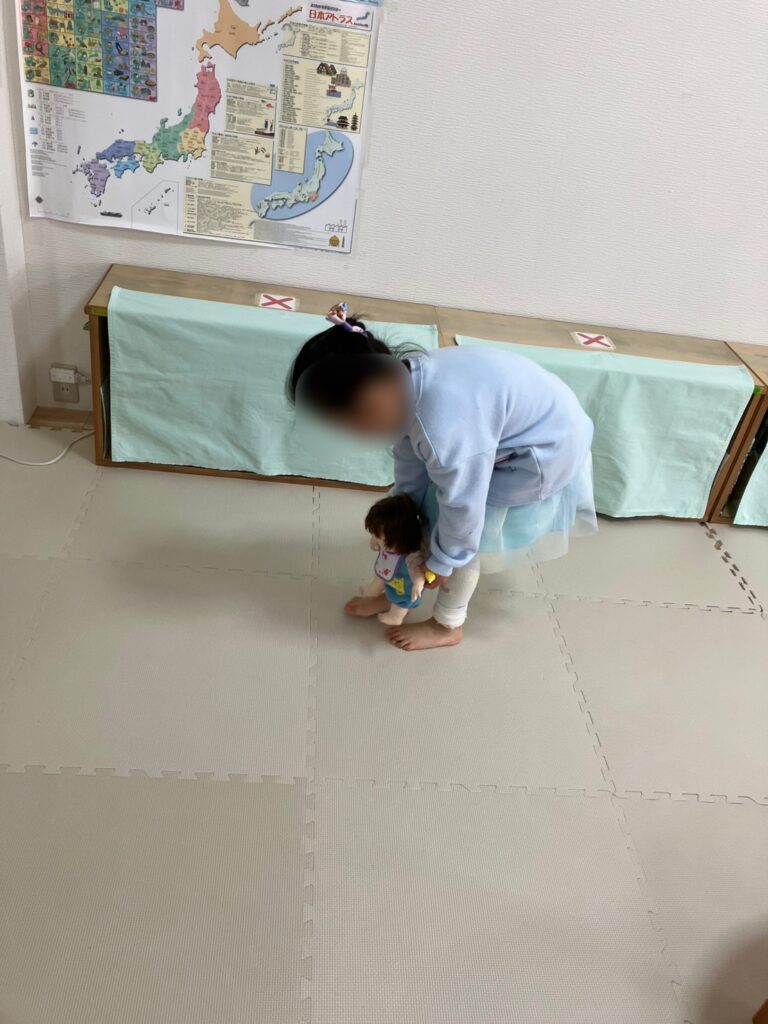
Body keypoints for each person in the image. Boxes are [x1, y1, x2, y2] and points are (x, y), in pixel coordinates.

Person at [288, 305, 596, 652]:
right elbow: (409, 463)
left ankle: (447, 623)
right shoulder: (405, 385)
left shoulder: (444, 428)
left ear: (375, 390)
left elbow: (464, 509)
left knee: (458, 540)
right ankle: (397, 593)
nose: (356, 432)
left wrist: (443, 560)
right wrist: (401, 510)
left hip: (541, 455)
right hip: (517, 431)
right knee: (415, 520)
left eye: (356, 420)